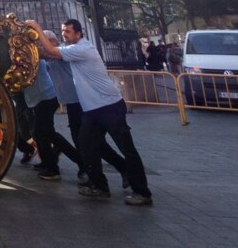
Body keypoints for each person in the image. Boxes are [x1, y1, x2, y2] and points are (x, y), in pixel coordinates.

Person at [27, 18, 153, 206]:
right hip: (92, 110)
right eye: (63, 31)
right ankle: (100, 186)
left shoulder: (83, 49)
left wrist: (36, 27)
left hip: (109, 105)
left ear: (79, 33)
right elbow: (48, 54)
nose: (64, 35)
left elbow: (52, 51)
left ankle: (142, 192)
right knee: (86, 146)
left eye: (68, 32)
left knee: (127, 148)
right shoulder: (72, 50)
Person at [43, 30, 127, 186]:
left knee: (89, 142)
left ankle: (111, 171)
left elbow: (47, 54)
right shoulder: (55, 55)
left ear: (52, 42)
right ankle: (97, 171)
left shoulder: (64, 52)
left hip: (79, 102)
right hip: (72, 103)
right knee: (87, 142)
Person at [22, 59, 80, 180]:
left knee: (43, 133)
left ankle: (53, 169)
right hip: (43, 98)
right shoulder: (33, 57)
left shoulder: (32, 57)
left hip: (45, 98)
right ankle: (50, 163)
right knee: (45, 133)